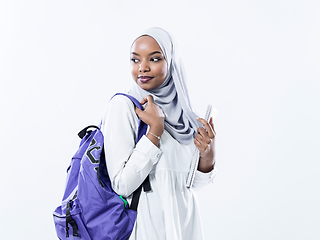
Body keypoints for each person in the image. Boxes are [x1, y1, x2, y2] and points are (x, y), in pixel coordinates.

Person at [101, 27, 216, 240]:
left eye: (154, 59)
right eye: (135, 60)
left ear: (171, 62)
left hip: (183, 227)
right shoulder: (125, 106)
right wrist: (154, 132)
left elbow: (188, 186)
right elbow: (121, 185)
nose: (142, 68)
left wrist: (207, 156)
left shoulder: (186, 116)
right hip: (146, 228)